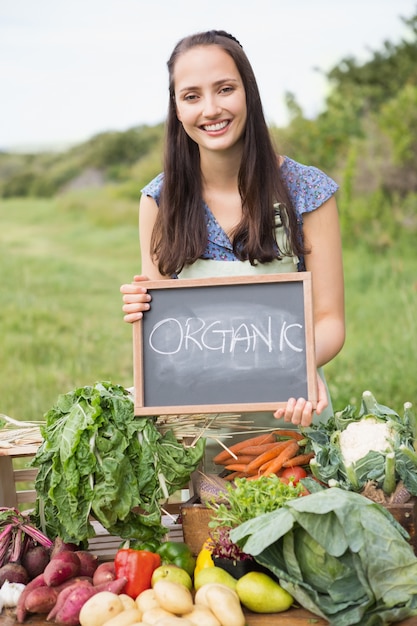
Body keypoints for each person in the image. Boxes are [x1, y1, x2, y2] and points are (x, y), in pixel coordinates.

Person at [120, 30, 345, 467]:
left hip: (292, 428)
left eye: (225, 89)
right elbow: (167, 337)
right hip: (198, 436)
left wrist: (293, 372)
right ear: (176, 108)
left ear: (249, 92)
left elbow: (330, 320)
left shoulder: (307, 190)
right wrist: (143, 311)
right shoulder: (158, 202)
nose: (211, 109)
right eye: (191, 95)